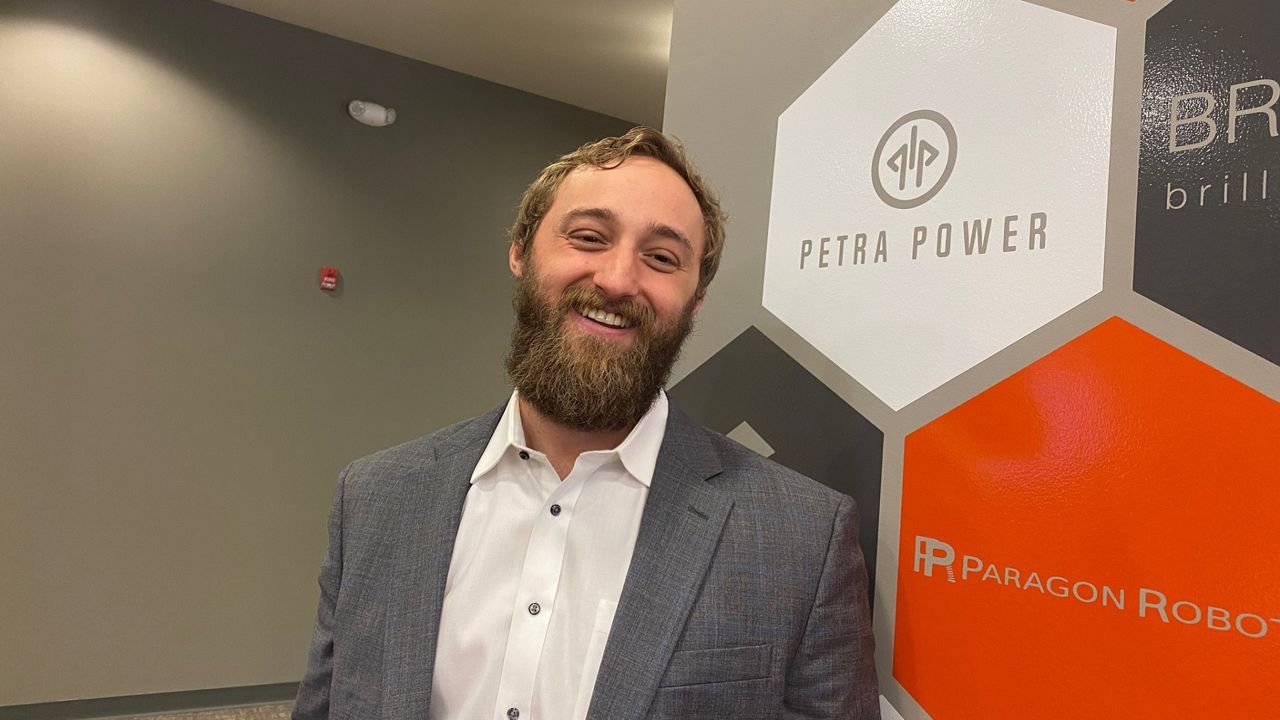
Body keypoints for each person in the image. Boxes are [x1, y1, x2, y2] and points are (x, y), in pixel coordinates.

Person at [292, 127, 879, 720]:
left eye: (662, 258)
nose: (618, 279)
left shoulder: (803, 541)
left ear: (695, 300)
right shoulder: (375, 501)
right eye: (589, 237)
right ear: (521, 250)